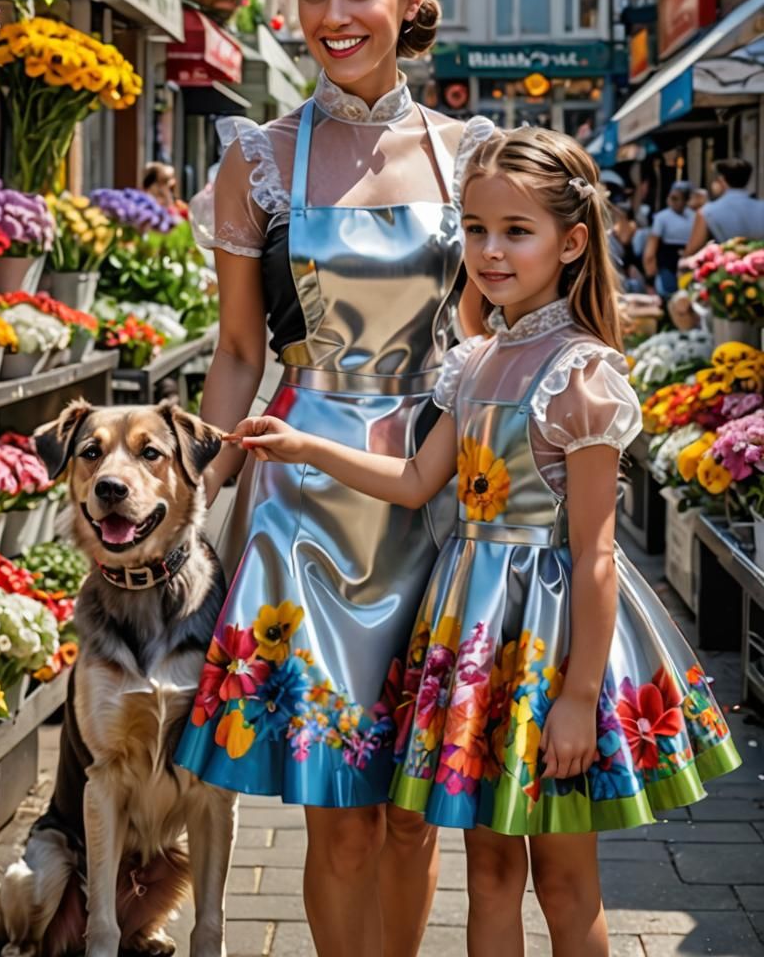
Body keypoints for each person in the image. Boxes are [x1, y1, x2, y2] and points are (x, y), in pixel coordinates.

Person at [233, 125, 740, 957]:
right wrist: (303, 445)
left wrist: (578, 698)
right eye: (473, 229)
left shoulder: (582, 375)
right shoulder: (472, 363)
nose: (490, 251)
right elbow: (414, 481)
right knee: (492, 873)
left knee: (567, 881)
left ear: (571, 243)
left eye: (516, 231)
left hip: (552, 644)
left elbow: (599, 552)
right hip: (474, 638)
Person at [175, 0, 486, 957]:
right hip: (301, 508)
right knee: (338, 821)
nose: (332, 18)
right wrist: (189, 500)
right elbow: (235, 353)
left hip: (441, 498)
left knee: (412, 820)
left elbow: (503, 350)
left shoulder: (472, 155)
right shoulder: (253, 160)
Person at [684, 157, 764, 254]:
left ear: (721, 180)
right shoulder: (761, 207)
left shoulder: (706, 212)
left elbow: (692, 251)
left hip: (723, 267)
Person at [642, 181, 694, 297]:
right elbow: (651, 247)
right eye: (670, 197)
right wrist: (650, 274)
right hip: (668, 265)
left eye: (676, 198)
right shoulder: (661, 218)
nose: (671, 200)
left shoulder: (695, 217)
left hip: (687, 264)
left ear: (686, 200)